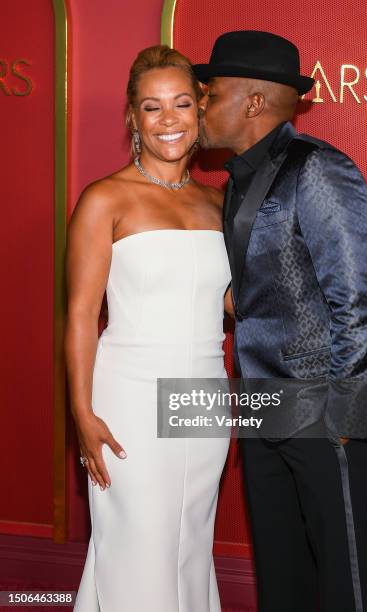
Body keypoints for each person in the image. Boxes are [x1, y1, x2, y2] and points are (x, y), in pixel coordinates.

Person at [193, 30, 367, 612]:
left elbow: (359, 298)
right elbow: (259, 293)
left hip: (329, 407)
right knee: (281, 572)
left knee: (342, 577)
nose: (201, 105)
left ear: (253, 102)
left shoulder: (319, 169)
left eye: (211, 92)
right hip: (262, 404)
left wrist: (348, 411)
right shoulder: (237, 182)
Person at [65, 45, 233, 612]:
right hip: (130, 398)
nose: (169, 120)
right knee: (137, 544)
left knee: (189, 543)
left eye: (182, 104)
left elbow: (233, 302)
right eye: (152, 107)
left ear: (200, 109)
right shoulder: (105, 199)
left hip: (207, 395)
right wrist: (83, 414)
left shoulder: (218, 202)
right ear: (132, 119)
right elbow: (82, 315)